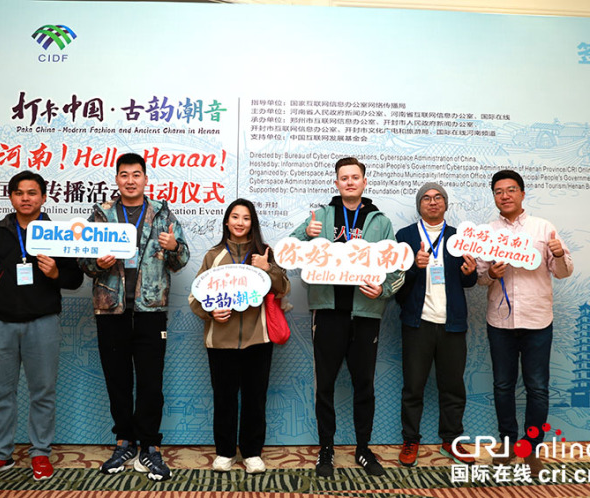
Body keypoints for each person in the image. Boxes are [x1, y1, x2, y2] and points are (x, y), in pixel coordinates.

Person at [0, 171, 83, 482]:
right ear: (11, 197)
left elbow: (76, 279)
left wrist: (56, 273)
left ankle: (40, 452)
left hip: (43, 322)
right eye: (19, 193)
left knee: (43, 392)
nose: (25, 198)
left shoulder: (58, 234)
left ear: (44, 197)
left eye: (32, 192)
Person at [77, 152, 189, 482]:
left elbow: (181, 260)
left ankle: (149, 447)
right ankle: (124, 442)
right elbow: (83, 262)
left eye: (136, 174)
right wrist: (97, 263)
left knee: (151, 383)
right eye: (124, 175)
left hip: (150, 309)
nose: (130, 180)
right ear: (116, 179)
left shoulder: (162, 213)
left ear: (145, 179)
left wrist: (173, 247)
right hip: (110, 308)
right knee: (118, 380)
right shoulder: (102, 215)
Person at [291, 157, 404, 477]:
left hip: (365, 314)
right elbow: (289, 251)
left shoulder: (380, 221)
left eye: (355, 177)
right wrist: (305, 233)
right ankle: (326, 448)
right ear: (337, 183)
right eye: (344, 178)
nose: (350, 182)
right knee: (324, 385)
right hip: (328, 313)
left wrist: (383, 289)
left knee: (364, 384)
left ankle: (363, 448)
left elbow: (396, 267)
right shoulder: (321, 216)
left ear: (364, 182)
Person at [477, 169, 573, 476]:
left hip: (537, 320)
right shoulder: (487, 232)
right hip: (500, 321)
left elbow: (563, 272)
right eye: (498, 191)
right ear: (494, 197)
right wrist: (490, 274)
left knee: (537, 387)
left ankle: (531, 448)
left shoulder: (543, 228)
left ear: (522, 193)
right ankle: (507, 444)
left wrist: (559, 254)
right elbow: (480, 278)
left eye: (510, 190)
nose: (504, 196)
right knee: (503, 386)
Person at [189, 199, 290, 474]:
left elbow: (283, 288)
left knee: (255, 398)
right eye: (235, 217)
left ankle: (252, 452)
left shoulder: (264, 252)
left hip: (259, 339)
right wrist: (211, 312)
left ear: (252, 223)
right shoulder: (213, 255)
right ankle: (224, 452)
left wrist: (268, 268)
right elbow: (195, 297)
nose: (240, 222)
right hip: (221, 341)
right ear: (227, 221)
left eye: (246, 218)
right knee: (224, 398)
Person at [394, 183, 477, 467]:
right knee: (413, 387)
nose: (433, 202)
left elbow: (467, 281)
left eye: (438, 197)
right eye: (426, 198)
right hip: (417, 324)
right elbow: (396, 284)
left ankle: (451, 440)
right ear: (419, 205)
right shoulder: (405, 236)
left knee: (453, 387)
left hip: (452, 324)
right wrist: (414, 268)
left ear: (445, 204)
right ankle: (410, 440)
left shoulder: (458, 237)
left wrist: (470, 272)